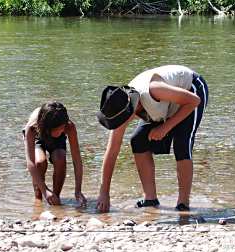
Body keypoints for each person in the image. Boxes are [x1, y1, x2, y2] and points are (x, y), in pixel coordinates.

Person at [96, 65, 208, 212]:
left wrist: (165, 127)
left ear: (132, 109)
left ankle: (183, 203)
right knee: (138, 140)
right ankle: (150, 199)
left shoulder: (154, 90)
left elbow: (194, 101)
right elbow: (112, 151)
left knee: (182, 143)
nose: (121, 123)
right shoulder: (119, 106)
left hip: (192, 91)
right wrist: (104, 193)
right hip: (165, 104)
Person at [23, 101, 87, 206]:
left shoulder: (68, 126)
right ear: (48, 128)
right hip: (39, 135)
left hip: (56, 138)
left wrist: (78, 190)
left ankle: (55, 198)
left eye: (63, 127)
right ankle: (38, 200)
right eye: (59, 129)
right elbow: (30, 163)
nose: (63, 130)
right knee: (40, 162)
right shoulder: (32, 128)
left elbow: (77, 160)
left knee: (60, 158)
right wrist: (45, 191)